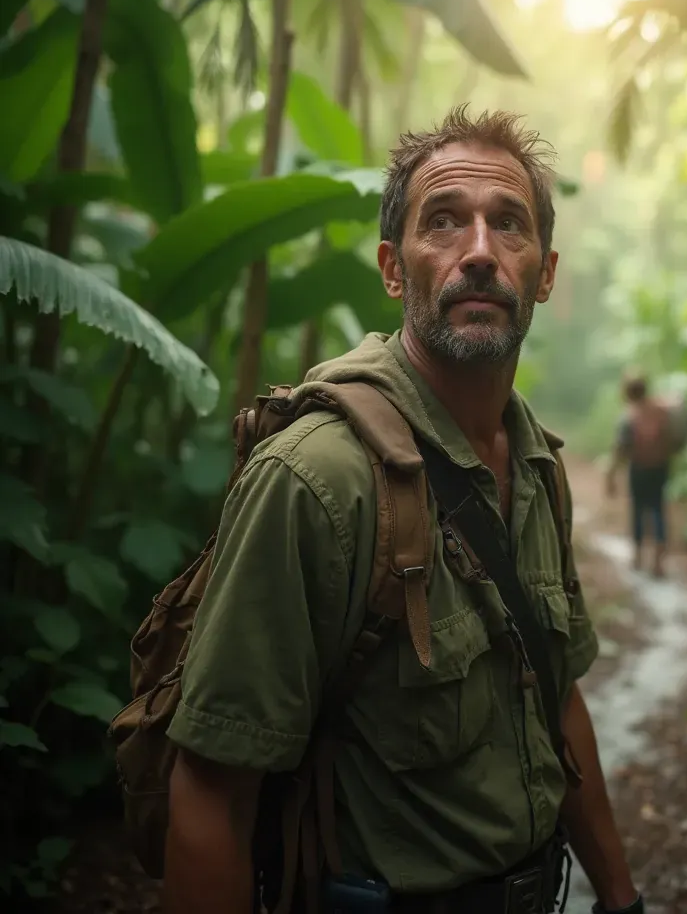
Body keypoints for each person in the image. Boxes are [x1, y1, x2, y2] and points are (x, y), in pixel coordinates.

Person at [161, 106, 643, 914]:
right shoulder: (319, 479)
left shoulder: (537, 465)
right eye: (444, 223)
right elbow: (212, 791)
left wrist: (622, 900)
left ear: (545, 274)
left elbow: (557, 697)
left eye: (509, 226)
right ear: (393, 268)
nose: (480, 253)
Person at [605, 372, 677, 578]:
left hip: (638, 469)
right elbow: (672, 439)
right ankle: (658, 563)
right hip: (661, 467)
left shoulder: (629, 416)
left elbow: (620, 447)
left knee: (638, 510)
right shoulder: (661, 410)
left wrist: (611, 475)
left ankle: (637, 557)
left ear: (627, 392)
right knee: (658, 509)